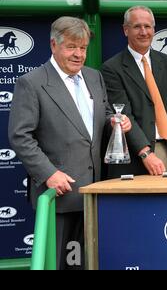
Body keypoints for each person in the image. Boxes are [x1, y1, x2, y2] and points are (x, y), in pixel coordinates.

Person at [8, 16, 131, 270]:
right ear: (54, 45)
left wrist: (115, 122)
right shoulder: (31, 83)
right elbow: (20, 136)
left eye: (83, 48)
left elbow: (104, 114)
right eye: (71, 47)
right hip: (59, 196)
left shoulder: (94, 77)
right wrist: (49, 173)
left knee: (90, 263)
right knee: (58, 264)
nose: (78, 54)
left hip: (95, 194)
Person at [101, 6, 167, 177]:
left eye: (148, 26)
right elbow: (124, 115)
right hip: (134, 157)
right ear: (126, 30)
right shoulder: (112, 68)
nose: (143, 32)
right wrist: (145, 152)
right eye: (137, 26)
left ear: (154, 30)